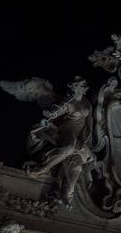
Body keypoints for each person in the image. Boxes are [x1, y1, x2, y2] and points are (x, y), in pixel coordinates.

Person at [25, 76, 95, 205]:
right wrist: (52, 114)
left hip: (80, 138)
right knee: (69, 147)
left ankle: (68, 195)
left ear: (84, 90)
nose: (76, 89)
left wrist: (85, 139)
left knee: (78, 165)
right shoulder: (68, 101)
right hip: (64, 133)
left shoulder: (87, 103)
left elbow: (90, 123)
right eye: (74, 86)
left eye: (78, 87)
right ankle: (44, 168)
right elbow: (59, 108)